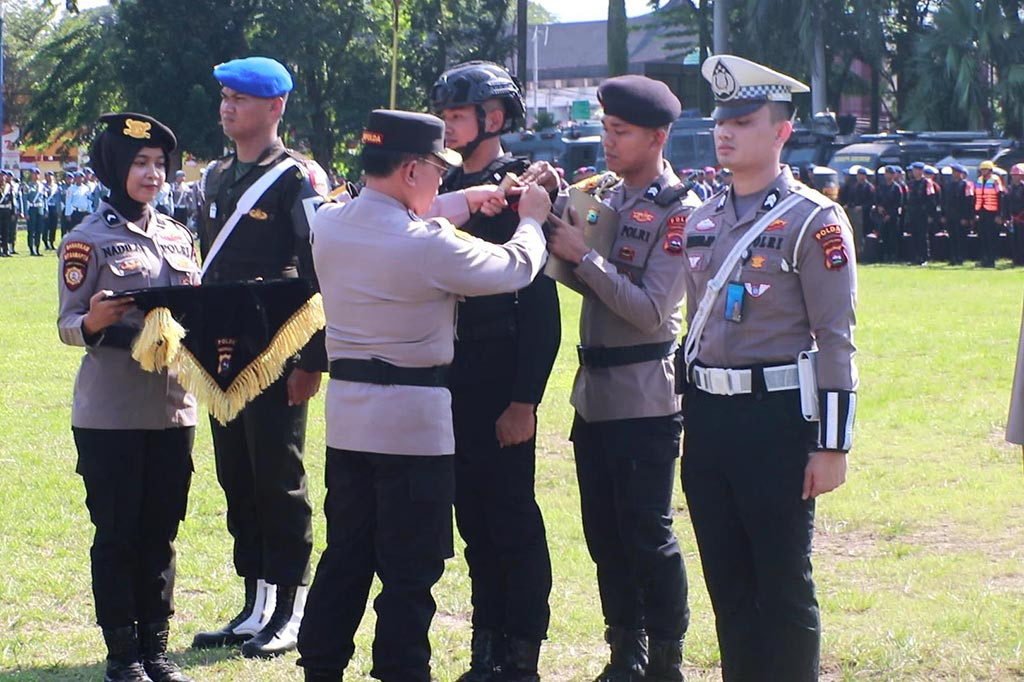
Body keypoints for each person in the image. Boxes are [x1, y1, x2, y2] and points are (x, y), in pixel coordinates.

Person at [296, 109, 551, 682]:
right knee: (409, 574)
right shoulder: (428, 245)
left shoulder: (331, 225)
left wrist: (472, 198)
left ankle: (320, 667)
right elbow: (515, 267)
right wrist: (530, 218)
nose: (442, 184)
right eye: (437, 172)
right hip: (414, 425)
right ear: (411, 169)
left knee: (346, 557)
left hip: (350, 422)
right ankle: (402, 671)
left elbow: (404, 213)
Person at [678, 55, 857, 682]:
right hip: (708, 421)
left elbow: (836, 340)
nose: (725, 131)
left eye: (744, 120)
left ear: (781, 130)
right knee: (727, 586)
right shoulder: (702, 220)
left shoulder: (813, 220)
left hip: (776, 421)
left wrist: (832, 445)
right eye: (721, 119)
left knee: (781, 586)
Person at [543, 74, 701, 682]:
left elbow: (651, 310)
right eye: (605, 128)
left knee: (647, 534)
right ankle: (624, 653)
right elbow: (577, 278)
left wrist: (584, 257)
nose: (608, 141)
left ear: (659, 136)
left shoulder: (677, 211)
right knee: (603, 534)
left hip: (645, 394)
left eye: (622, 131)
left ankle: (665, 655)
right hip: (595, 393)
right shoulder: (603, 196)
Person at [190, 56, 329, 659]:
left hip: (276, 352)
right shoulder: (217, 177)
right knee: (236, 478)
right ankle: (256, 602)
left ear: (275, 108)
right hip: (223, 352)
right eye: (224, 96)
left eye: (241, 98)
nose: (228, 106)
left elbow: (321, 268)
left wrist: (312, 360)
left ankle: (292, 609)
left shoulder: (300, 179)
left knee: (279, 477)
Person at [429, 61, 561, 682]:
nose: (447, 127)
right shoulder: (435, 188)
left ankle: (520, 654)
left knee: (510, 517)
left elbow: (539, 308)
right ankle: (486, 649)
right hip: (448, 377)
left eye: (458, 116)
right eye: (447, 115)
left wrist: (524, 400)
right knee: (471, 518)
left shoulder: (518, 194)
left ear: (495, 118)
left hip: (500, 370)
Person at [57, 112, 199, 682]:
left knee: (161, 532)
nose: (152, 174)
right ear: (116, 170)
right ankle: (123, 656)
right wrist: (96, 322)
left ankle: (156, 650)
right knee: (117, 533)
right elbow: (69, 325)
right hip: (111, 412)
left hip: (173, 410)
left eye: (160, 165)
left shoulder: (179, 236)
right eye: (140, 164)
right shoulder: (86, 239)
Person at [975, 160, 1004, 268]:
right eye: (982, 169)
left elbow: (1001, 197)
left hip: (992, 212)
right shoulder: (979, 180)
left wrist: (999, 215)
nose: (983, 171)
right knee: (982, 236)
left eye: (985, 169)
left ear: (990, 170)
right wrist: (976, 212)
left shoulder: (995, 180)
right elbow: (976, 197)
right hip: (982, 212)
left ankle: (991, 260)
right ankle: (984, 259)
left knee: (991, 237)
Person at [23, 169, 47, 256]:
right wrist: (25, 212)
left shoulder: (41, 186)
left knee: (39, 230)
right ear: (31, 175)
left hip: (39, 209)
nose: (36, 176)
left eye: (38, 174)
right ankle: (31, 249)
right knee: (31, 230)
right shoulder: (27, 186)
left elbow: (44, 199)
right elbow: (25, 200)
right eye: (34, 174)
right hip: (31, 209)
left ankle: (37, 248)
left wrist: (45, 210)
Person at [44, 170, 62, 250]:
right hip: (46, 207)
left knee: (53, 226)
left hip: (54, 208)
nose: (50, 177)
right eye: (48, 176)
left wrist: (59, 210)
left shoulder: (56, 187)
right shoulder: (43, 186)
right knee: (45, 226)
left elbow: (58, 199)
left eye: (51, 176)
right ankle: (45, 242)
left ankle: (51, 242)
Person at [0, 172, 16, 256]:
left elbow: (12, 200)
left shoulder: (8, 187)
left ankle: (5, 250)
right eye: (1, 176)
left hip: (6, 211)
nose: (2, 178)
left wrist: (13, 212)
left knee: (6, 231)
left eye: (3, 176)